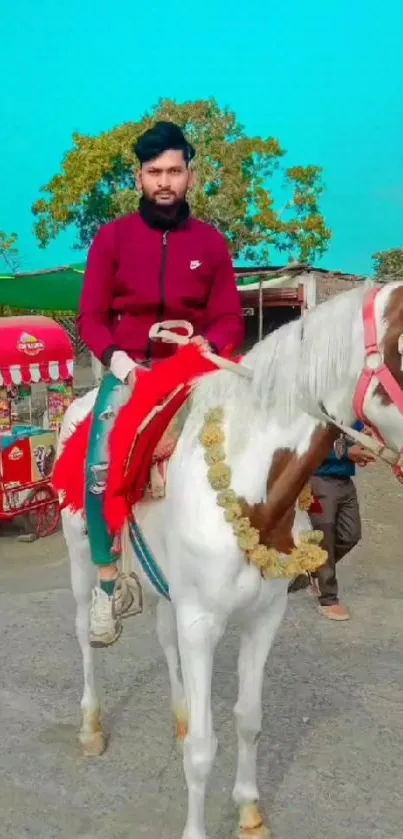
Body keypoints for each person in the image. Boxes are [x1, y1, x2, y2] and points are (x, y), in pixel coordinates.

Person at [77, 120, 245, 647]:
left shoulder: (211, 244)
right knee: (99, 460)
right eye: (155, 172)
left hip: (193, 371)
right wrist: (121, 363)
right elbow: (91, 318)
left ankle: (263, 553)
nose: (165, 181)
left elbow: (229, 319)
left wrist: (211, 346)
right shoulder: (113, 239)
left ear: (190, 177)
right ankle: (109, 584)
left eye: (175, 171)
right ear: (139, 179)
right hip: (131, 370)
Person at [305, 424, 374, 620]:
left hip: (345, 481)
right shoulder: (319, 410)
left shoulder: (353, 415)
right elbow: (310, 443)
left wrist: (365, 443)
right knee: (325, 539)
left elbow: (357, 439)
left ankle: (313, 570)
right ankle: (328, 599)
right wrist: (346, 453)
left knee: (351, 534)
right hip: (320, 479)